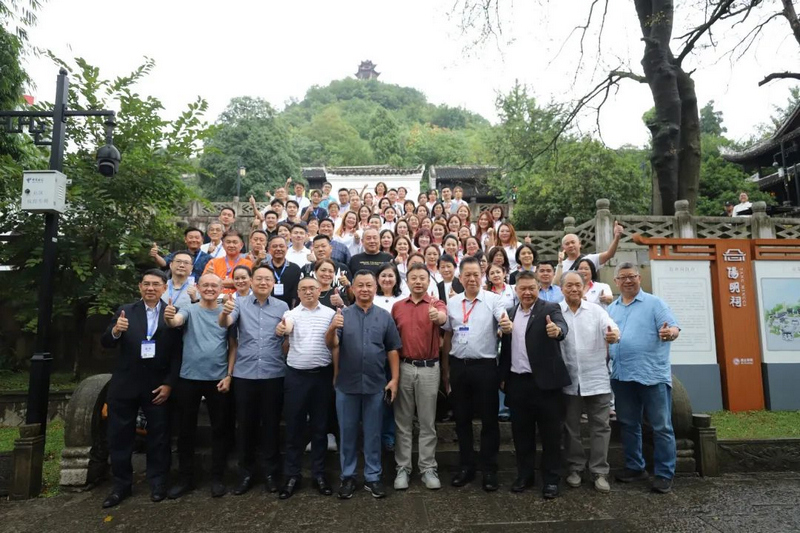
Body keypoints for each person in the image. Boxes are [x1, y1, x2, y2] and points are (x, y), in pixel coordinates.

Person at [100, 269, 182, 508]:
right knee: (120, 436)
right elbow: (106, 341)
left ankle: (158, 483)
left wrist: (169, 383)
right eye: (146, 284)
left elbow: (177, 353)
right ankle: (121, 486)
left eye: (156, 284)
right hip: (126, 384)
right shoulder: (126, 311)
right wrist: (116, 331)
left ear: (164, 288)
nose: (150, 288)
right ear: (139, 287)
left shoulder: (172, 313)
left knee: (159, 436)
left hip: (157, 385)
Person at [325, 270, 402, 499]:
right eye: (360, 285)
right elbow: (332, 344)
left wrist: (395, 380)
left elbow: (392, 349)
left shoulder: (384, 316)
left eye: (369, 285)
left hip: (375, 384)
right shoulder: (342, 314)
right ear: (354, 288)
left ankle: (373, 477)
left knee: (373, 433)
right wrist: (331, 328)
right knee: (347, 433)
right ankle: (347, 477)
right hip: (346, 385)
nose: (365, 289)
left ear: (375, 288)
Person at [607, 262, 680, 494]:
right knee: (628, 424)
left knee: (662, 427)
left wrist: (670, 333)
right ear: (616, 282)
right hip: (622, 375)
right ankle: (635, 466)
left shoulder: (654, 303)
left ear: (639, 278)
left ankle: (664, 473)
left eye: (632, 276)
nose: (628, 281)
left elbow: (674, 328)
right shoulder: (612, 308)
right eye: (623, 278)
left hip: (652, 375)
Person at [441, 257, 512, 492]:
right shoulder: (452, 303)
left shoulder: (493, 300)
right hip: (459, 367)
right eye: (467, 275)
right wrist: (447, 371)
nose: (472, 279)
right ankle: (466, 466)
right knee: (461, 421)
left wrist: (505, 324)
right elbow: (448, 337)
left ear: (482, 276)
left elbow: (503, 320)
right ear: (460, 278)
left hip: (485, 367)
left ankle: (489, 469)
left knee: (489, 421)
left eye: (476, 274)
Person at [218, 265, 289, 495]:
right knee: (245, 426)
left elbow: (288, 337)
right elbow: (225, 323)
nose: (263, 282)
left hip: (273, 373)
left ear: (272, 283)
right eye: (258, 278)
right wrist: (225, 312)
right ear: (250, 281)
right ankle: (246, 473)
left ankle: (270, 473)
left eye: (267, 279)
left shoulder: (282, 306)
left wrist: (284, 332)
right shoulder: (238, 303)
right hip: (245, 373)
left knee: (271, 425)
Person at [498, 271, 569, 499]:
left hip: (546, 385)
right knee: (522, 435)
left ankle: (551, 480)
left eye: (532, 288)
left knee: (550, 436)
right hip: (518, 383)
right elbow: (506, 350)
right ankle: (525, 475)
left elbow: (561, 327)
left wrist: (557, 331)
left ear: (538, 288)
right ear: (516, 291)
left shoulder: (550, 309)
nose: (527, 293)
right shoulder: (509, 313)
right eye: (523, 289)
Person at [163, 273, 233, 499]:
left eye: (214, 285)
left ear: (221, 288)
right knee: (185, 431)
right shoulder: (189, 308)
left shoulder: (227, 311)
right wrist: (169, 317)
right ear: (198, 287)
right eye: (206, 285)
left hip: (217, 378)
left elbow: (233, 346)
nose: (210, 288)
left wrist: (229, 375)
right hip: (189, 378)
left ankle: (217, 478)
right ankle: (186, 478)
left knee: (220, 430)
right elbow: (176, 321)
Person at [276, 276, 337, 499]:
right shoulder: (291, 314)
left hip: (321, 377)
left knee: (320, 429)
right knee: (294, 429)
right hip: (296, 377)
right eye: (303, 289)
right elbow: (286, 327)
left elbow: (335, 344)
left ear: (320, 290)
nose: (308, 292)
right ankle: (292, 475)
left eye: (312, 288)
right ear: (298, 293)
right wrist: (283, 328)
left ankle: (319, 475)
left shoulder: (330, 314)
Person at [559, 271, 620, 494]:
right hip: (569, 380)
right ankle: (575, 468)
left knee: (600, 427)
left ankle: (600, 471)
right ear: (561, 288)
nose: (574, 289)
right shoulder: (556, 312)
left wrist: (614, 336)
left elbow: (611, 327)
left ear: (585, 288)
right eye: (569, 286)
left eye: (578, 285)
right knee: (571, 427)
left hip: (596, 377)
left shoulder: (596, 310)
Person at [391, 265, 447, 491]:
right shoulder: (397, 307)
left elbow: (443, 318)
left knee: (427, 422)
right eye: (413, 278)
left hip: (429, 368)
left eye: (422, 278)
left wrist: (437, 317)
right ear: (407, 281)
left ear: (428, 281)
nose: (418, 282)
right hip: (404, 367)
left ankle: (427, 468)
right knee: (403, 422)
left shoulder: (435, 303)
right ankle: (403, 468)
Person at [557, 221, 624, 280]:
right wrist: (560, 262)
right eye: (567, 244)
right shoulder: (561, 265)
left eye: (573, 242)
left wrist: (617, 237)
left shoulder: (590, 259)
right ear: (563, 248)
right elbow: (557, 284)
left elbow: (609, 254)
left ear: (579, 244)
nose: (570, 245)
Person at [202, 230, 253, 295]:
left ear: (241, 245)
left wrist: (217, 282)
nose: (231, 245)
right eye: (228, 242)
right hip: (215, 299)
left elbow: (250, 283)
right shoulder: (213, 262)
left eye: (235, 242)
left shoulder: (248, 264)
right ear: (223, 245)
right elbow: (204, 282)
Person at [265, 235, 302, 308]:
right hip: (266, 308)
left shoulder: (295, 268)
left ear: (287, 248)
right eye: (275, 246)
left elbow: (296, 294)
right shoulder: (264, 268)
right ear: (269, 250)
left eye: (281, 246)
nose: (278, 249)